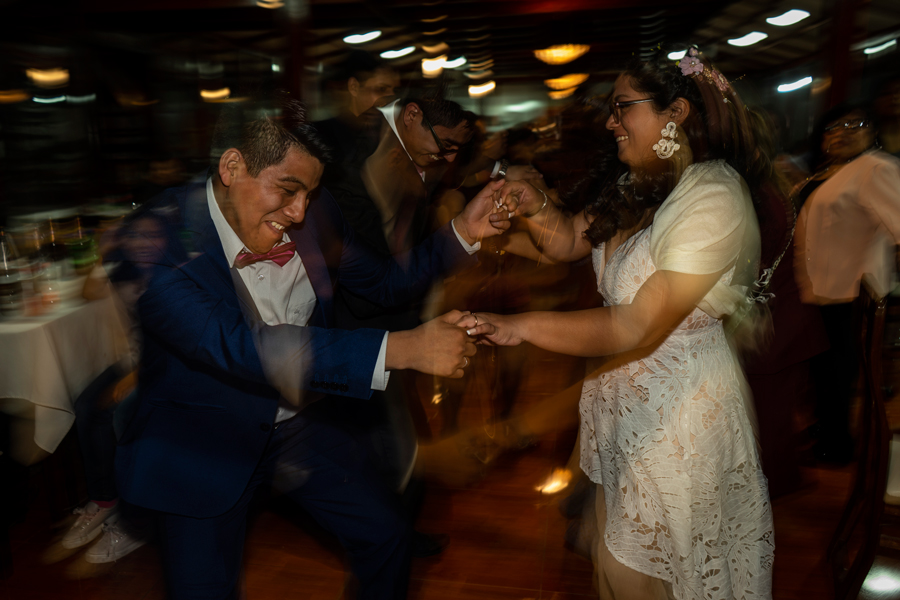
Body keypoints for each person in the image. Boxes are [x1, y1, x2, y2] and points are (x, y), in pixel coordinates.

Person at [114, 92, 515, 599]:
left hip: (298, 425)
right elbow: (238, 345)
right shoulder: (154, 237)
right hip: (200, 441)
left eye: (311, 191)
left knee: (387, 536)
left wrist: (462, 231)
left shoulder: (317, 211)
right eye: (288, 190)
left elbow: (385, 283)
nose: (300, 211)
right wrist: (401, 349)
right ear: (232, 167)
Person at [465, 47, 775, 599]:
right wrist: (535, 206)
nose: (611, 122)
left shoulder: (712, 194)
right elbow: (570, 239)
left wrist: (519, 326)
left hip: (679, 419)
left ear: (674, 112)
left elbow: (637, 326)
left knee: (644, 577)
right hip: (624, 410)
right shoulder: (639, 184)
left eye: (622, 107)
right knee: (615, 569)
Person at [794, 102, 900, 462]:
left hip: (853, 290)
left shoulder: (876, 168)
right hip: (823, 290)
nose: (843, 132)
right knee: (825, 371)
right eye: (834, 127)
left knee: (840, 372)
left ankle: (839, 445)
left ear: (873, 132)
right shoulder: (830, 172)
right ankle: (827, 430)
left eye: (855, 125)